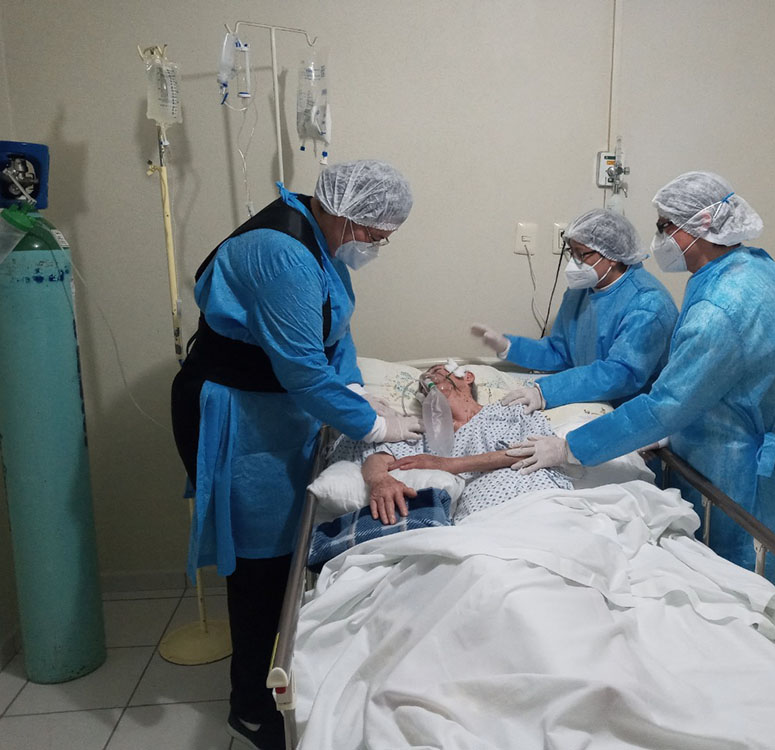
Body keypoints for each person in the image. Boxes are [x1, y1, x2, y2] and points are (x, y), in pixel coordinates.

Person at [170, 160, 422, 750]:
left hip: (278, 408)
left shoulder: (320, 242)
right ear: (347, 213)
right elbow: (304, 368)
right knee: (261, 560)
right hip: (240, 412)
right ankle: (252, 706)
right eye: (378, 235)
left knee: (284, 551)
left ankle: (275, 674)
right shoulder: (281, 252)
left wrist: (357, 388)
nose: (379, 246)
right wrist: (377, 426)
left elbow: (337, 332)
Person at [507, 171, 775, 591]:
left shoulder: (716, 308)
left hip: (732, 470)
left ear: (702, 227)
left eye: (665, 227)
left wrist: (569, 447)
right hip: (749, 439)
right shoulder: (756, 270)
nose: (659, 239)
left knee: (736, 592)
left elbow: (664, 403)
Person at [471, 208, 678, 413]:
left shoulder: (648, 304)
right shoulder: (580, 292)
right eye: (572, 253)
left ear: (613, 255)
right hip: (594, 404)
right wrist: (510, 346)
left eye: (582, 255)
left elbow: (619, 374)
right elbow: (560, 352)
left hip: (635, 417)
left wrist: (547, 391)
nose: (574, 263)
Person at [329, 362, 573, 523]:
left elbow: (535, 451)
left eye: (435, 371)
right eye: (423, 384)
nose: (428, 381)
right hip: (483, 516)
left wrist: (446, 464)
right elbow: (378, 455)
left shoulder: (513, 410)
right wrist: (379, 480)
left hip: (542, 501)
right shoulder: (423, 434)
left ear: (467, 376)